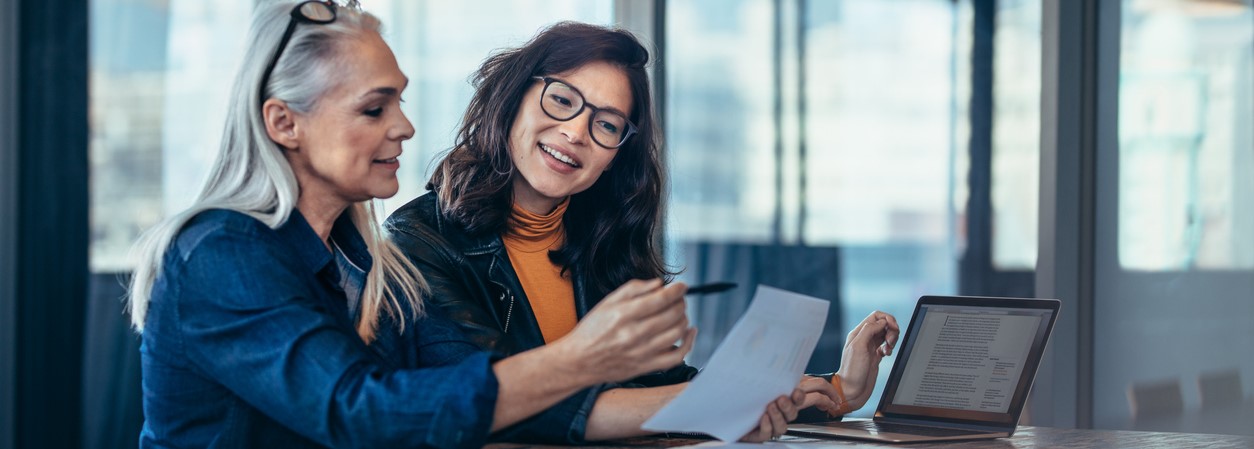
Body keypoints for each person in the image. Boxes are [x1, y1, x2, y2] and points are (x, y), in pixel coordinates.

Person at [127, 2, 740, 447]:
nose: (405, 127)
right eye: (374, 108)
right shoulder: (222, 251)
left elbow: (471, 397)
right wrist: (579, 358)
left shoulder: (366, 262)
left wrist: (741, 400)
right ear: (284, 123)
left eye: (399, 101)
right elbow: (359, 414)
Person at [384, 21, 901, 443]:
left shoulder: (600, 245)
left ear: (615, 157)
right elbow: (500, 404)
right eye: (562, 100)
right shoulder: (417, 242)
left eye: (606, 125)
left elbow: (662, 388)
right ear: (514, 98)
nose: (576, 132)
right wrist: (723, 404)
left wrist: (840, 389)